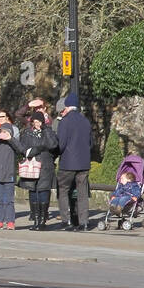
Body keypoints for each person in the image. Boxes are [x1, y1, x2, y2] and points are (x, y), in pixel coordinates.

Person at [56, 91, 93, 231]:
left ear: (68, 106)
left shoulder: (64, 121)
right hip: (84, 163)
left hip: (68, 163)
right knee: (82, 193)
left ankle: (66, 220)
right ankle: (84, 222)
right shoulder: (85, 121)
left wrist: (57, 154)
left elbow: (61, 143)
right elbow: (91, 143)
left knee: (63, 190)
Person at [18, 110, 59, 230]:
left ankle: (42, 220)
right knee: (33, 191)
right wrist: (36, 150)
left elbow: (53, 145)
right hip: (31, 166)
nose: (37, 124)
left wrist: (45, 130)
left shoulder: (49, 132)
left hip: (46, 166)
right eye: (35, 121)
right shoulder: (27, 133)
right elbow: (23, 148)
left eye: (39, 121)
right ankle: (35, 219)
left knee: (43, 191)